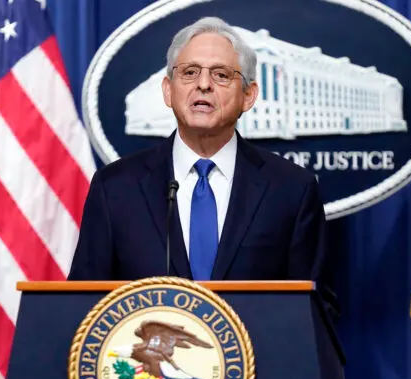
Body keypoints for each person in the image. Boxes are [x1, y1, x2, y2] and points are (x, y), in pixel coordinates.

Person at [67, 16, 326, 281]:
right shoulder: (114, 188)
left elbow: (313, 309)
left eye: (221, 75)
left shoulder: (293, 189)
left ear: (248, 96)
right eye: (190, 72)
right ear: (168, 91)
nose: (203, 84)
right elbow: (84, 306)